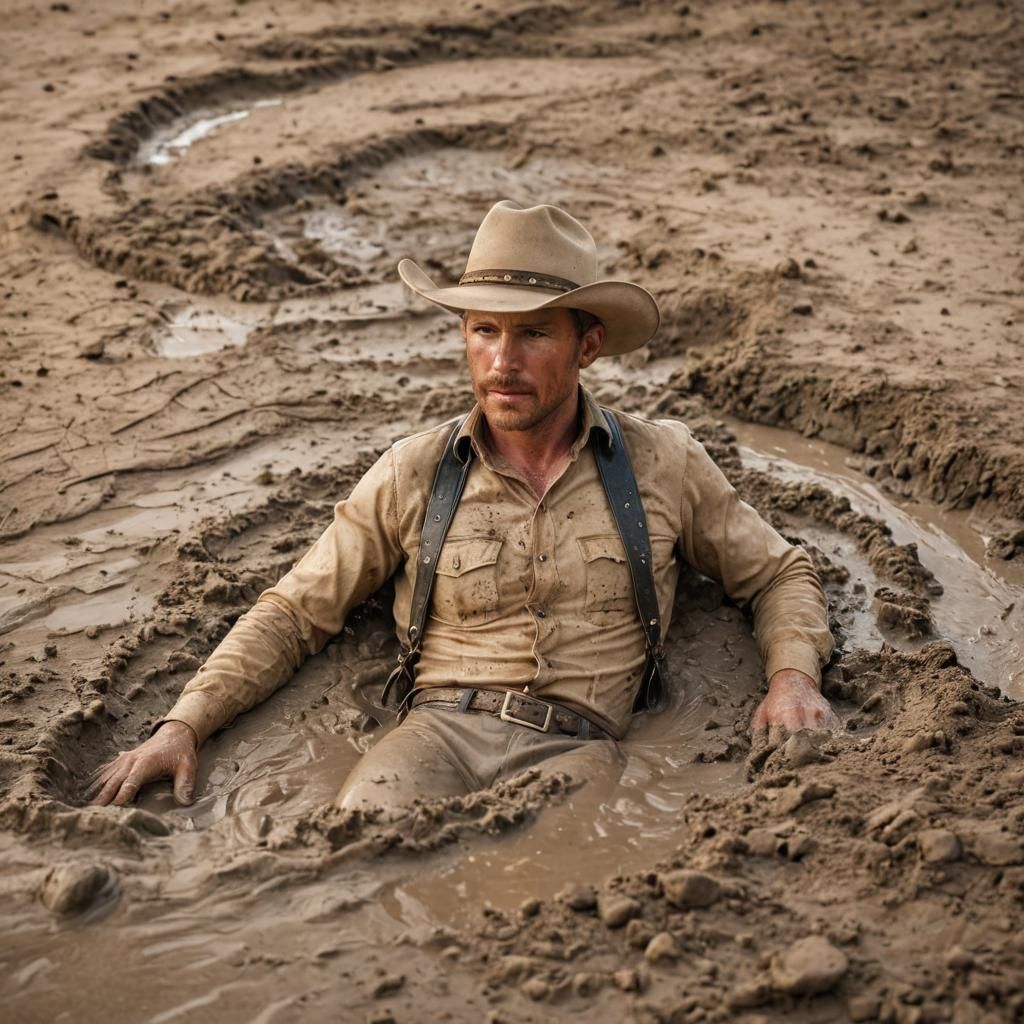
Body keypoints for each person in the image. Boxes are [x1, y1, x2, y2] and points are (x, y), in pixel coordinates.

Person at [89, 200, 838, 812]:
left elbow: (778, 574)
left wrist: (792, 679)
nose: (503, 362)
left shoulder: (663, 462)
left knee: (561, 868)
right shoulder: (415, 470)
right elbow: (294, 611)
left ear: (588, 346)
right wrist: (183, 725)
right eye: (484, 331)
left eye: (534, 333)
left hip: (583, 746)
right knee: (358, 844)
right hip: (434, 736)